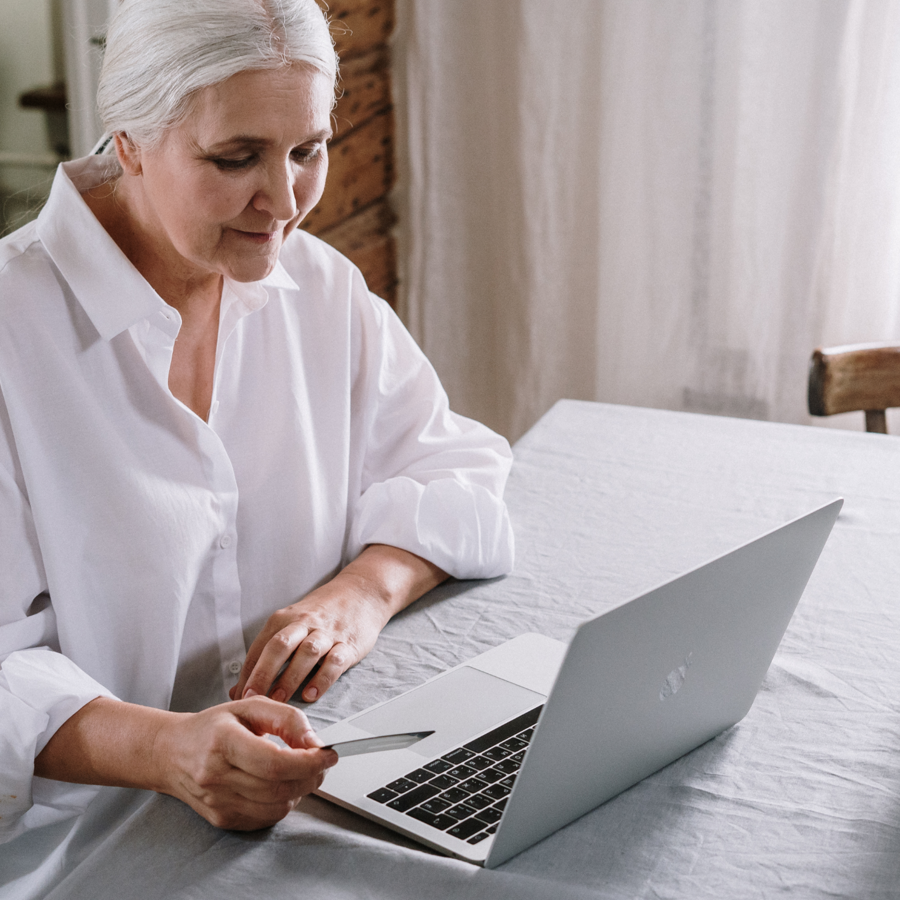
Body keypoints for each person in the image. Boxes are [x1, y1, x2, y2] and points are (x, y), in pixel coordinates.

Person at [0, 0, 513, 892]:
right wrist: (166, 751)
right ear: (128, 140)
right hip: (81, 853)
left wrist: (358, 595)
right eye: (236, 158)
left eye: (308, 149)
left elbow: (457, 466)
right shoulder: (14, 341)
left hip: (304, 805)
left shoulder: (319, 288)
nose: (282, 203)